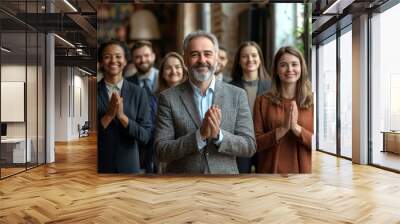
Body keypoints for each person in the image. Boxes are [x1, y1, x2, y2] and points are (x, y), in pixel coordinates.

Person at [155, 30, 256, 174]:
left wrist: (218, 136)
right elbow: (161, 151)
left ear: (216, 59)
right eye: (194, 54)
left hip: (225, 185)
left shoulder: (237, 95)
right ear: (185, 60)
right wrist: (199, 136)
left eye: (207, 54)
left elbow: (249, 146)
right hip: (182, 186)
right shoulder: (168, 98)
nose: (202, 60)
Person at [253, 46, 313, 173]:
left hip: (306, 176)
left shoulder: (314, 101)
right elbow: (254, 144)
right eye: (283, 65)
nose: (290, 69)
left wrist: (296, 129)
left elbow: (322, 146)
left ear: (301, 68)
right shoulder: (262, 101)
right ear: (276, 70)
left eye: (294, 64)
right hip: (270, 174)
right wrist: (282, 129)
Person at [97, 40, 152, 173]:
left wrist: (122, 118)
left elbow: (145, 136)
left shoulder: (139, 93)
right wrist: (108, 116)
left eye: (118, 56)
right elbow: (85, 136)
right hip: (99, 165)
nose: (113, 60)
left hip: (129, 166)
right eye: (107, 56)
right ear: (101, 62)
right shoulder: (91, 91)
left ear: (126, 61)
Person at [230, 41, 271, 173]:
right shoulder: (229, 88)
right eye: (245, 56)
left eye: (254, 55)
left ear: (260, 59)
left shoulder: (272, 87)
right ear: (239, 61)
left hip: (266, 143)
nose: (250, 59)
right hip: (240, 144)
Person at [127, 40, 159, 173]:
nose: (142, 60)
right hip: (140, 144)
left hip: (163, 140)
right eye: (138, 57)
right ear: (133, 60)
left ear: (153, 56)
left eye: (146, 55)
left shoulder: (165, 77)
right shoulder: (128, 83)